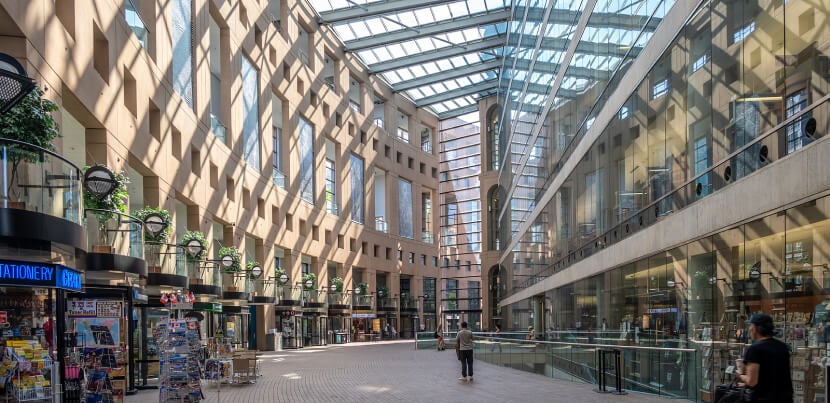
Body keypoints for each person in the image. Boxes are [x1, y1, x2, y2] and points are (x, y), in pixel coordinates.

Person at [736, 313, 793, 402]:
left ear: (755, 328)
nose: (750, 329)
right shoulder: (782, 347)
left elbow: (752, 381)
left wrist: (740, 375)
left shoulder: (754, 349)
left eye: (751, 325)